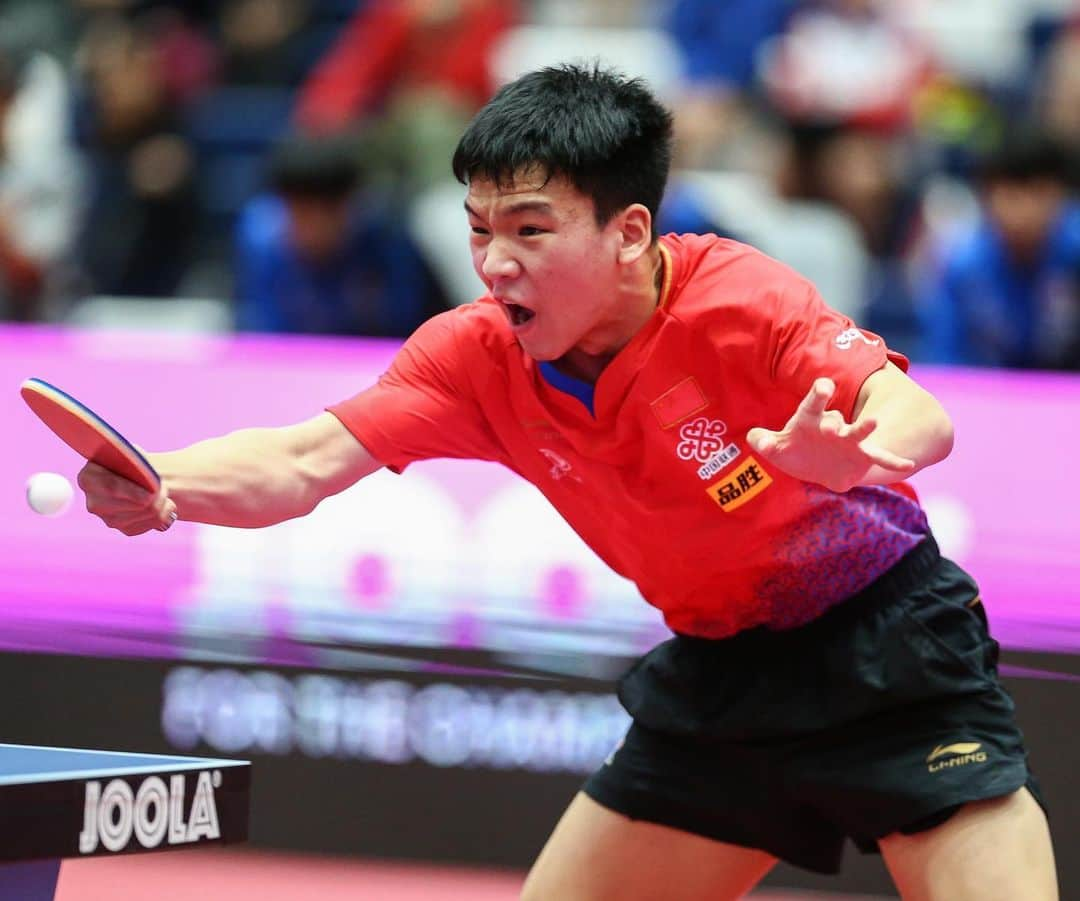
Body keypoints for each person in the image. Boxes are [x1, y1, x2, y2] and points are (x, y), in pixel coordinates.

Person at [77, 65, 1057, 899]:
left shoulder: (742, 300)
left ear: (628, 232)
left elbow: (918, 413)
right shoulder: (473, 357)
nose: (495, 263)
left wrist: (863, 454)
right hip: (722, 680)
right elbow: (301, 461)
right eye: (478, 229)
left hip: (890, 655)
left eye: (532, 232)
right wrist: (162, 479)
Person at [234, 133, 447, 337]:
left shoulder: (392, 247)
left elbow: (407, 329)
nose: (310, 228)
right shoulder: (261, 243)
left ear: (350, 207)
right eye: (300, 213)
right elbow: (263, 331)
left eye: (322, 213)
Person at [914, 130, 1080, 369]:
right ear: (986, 198)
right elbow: (944, 360)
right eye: (1011, 195)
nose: (1024, 210)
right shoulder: (961, 267)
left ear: (1062, 196)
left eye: (1037, 193)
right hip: (991, 396)